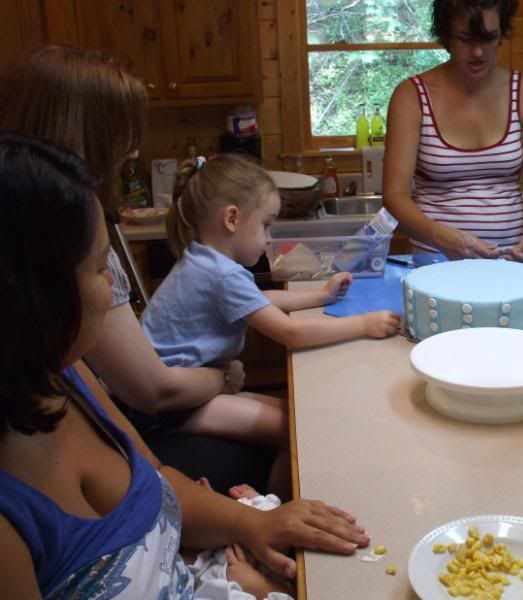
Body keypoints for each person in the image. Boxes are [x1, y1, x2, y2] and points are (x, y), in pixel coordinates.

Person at [0, 132, 370, 597]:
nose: (117, 294)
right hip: (176, 411)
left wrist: (255, 523)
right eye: (100, 268)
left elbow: (157, 479)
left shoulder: (72, 378)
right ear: (33, 293)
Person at [0, 45, 267, 491]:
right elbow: (152, 391)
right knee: (267, 450)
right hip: (129, 424)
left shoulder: (56, 222)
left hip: (116, 425)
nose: (134, 147)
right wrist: (222, 376)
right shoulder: (57, 244)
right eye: (120, 132)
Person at [140, 158, 400, 456]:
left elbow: (257, 299)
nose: (269, 238)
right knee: (294, 432)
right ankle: (272, 501)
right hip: (174, 406)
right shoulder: (222, 274)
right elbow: (290, 332)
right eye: (265, 225)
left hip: (186, 388)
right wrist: (363, 325)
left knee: (295, 415)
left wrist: (321, 296)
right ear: (232, 219)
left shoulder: (204, 260)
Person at [383, 0, 523, 262]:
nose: (477, 52)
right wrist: (439, 235)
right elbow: (394, 196)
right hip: (436, 260)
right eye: (465, 39)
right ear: (446, 36)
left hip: (511, 261)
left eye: (488, 38)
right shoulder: (411, 97)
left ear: (502, 34)